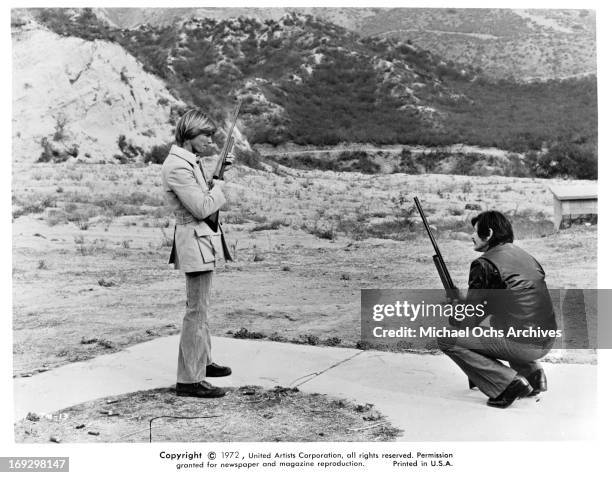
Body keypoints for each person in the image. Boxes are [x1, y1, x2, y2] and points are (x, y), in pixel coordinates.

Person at [438, 211, 557, 408]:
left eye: (476, 232)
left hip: (522, 344)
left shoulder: (484, 263)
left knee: (447, 339)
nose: (472, 236)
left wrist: (455, 309)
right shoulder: (526, 257)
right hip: (546, 340)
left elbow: (470, 319)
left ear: (489, 233)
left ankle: (508, 384)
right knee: (496, 325)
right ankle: (533, 375)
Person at [161, 109, 234, 398]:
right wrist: (221, 187)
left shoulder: (188, 161)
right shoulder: (178, 166)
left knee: (201, 307)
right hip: (194, 240)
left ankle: (201, 362)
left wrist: (220, 172)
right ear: (189, 135)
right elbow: (202, 207)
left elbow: (203, 194)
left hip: (200, 239)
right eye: (205, 135)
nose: (209, 140)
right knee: (196, 311)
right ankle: (190, 379)